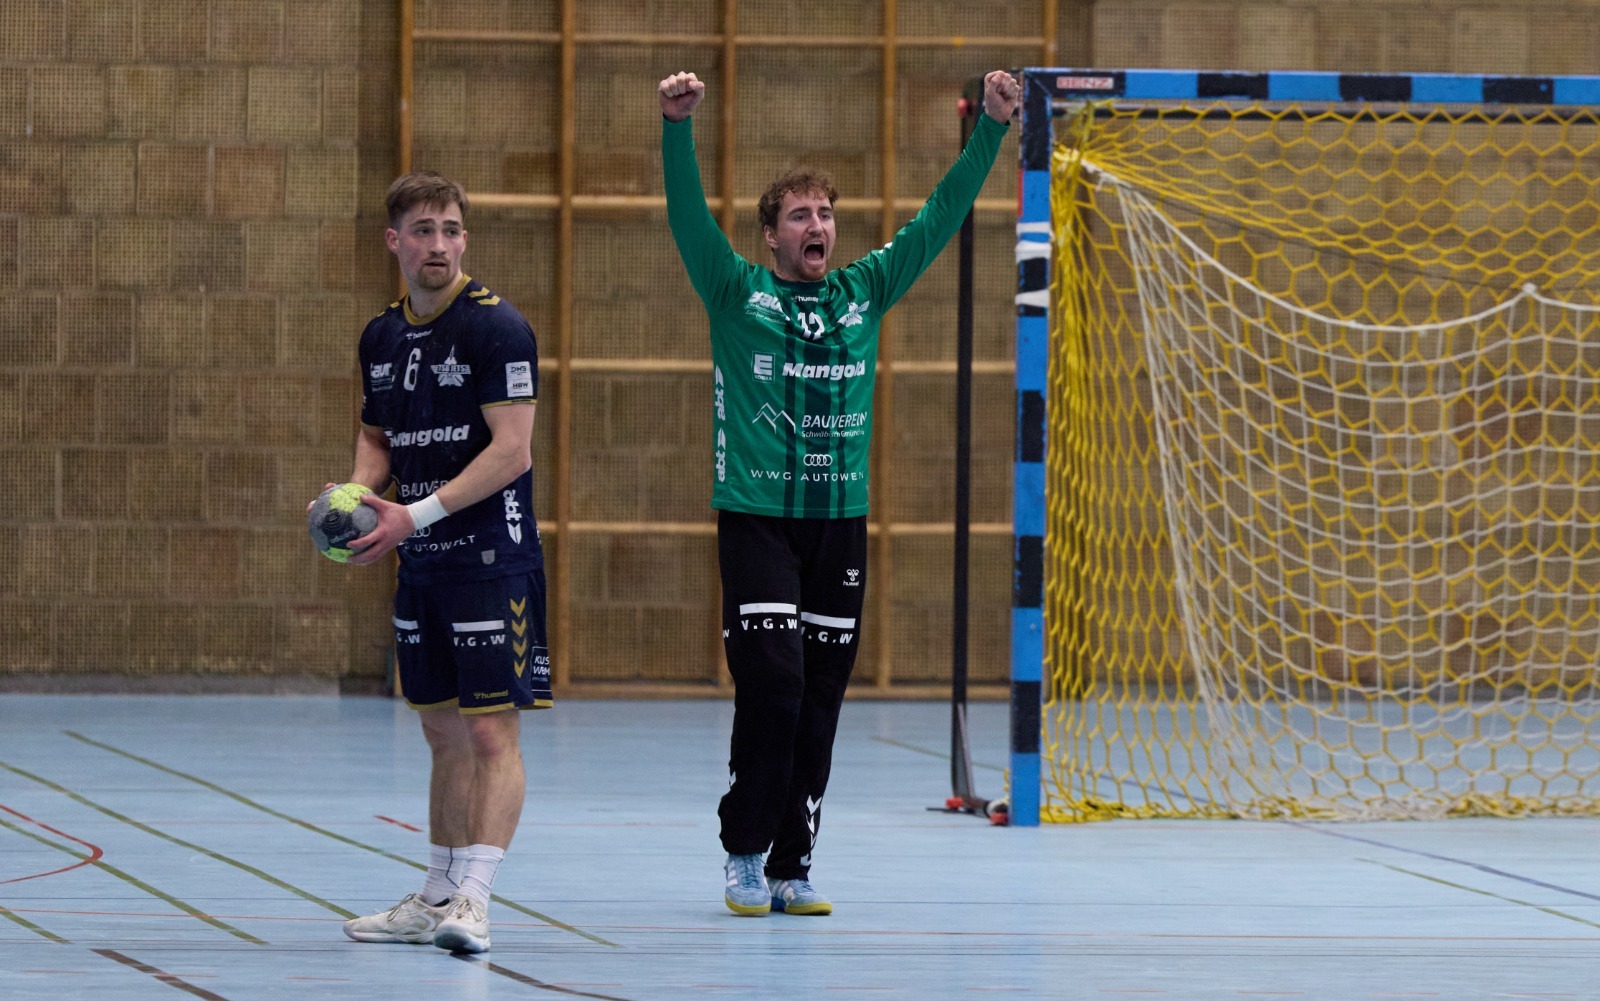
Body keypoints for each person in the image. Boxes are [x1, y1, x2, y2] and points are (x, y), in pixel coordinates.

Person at [657, 69, 1019, 916]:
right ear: (770, 235)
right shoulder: (736, 291)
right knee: (775, 685)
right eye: (798, 215)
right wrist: (677, 127)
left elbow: (937, 218)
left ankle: (794, 863)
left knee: (820, 698)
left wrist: (992, 130)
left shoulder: (864, 291)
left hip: (839, 527)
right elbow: (686, 217)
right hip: (757, 521)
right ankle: (744, 850)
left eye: (824, 213)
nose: (816, 225)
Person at [331, 170, 550, 954]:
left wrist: (412, 515)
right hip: (420, 563)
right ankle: (435, 895)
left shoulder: (498, 329)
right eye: (423, 230)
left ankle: (475, 900)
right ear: (394, 240)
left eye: (451, 229)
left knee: (491, 735)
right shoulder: (381, 337)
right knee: (442, 734)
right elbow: (378, 437)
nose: (439, 244)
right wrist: (360, 499)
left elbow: (513, 450)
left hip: (491, 560)